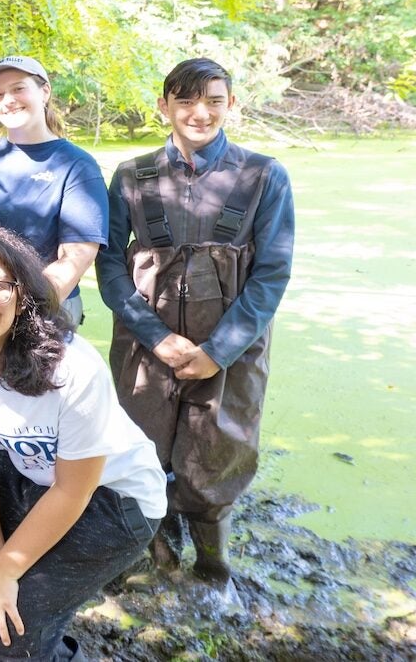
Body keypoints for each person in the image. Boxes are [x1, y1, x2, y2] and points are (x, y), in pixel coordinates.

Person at [0, 219, 165, 661]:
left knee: (8, 625)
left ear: (22, 292)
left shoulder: (72, 371)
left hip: (115, 499)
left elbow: (72, 489)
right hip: (31, 473)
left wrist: (6, 567)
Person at [95, 58, 294, 595]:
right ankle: (155, 547)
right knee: (142, 445)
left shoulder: (263, 176)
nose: (199, 112)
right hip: (144, 346)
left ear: (232, 105)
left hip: (232, 348)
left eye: (212, 99)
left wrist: (218, 350)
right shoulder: (131, 176)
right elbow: (109, 265)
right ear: (164, 107)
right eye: (184, 100)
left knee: (218, 448)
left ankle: (213, 558)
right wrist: (156, 336)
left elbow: (273, 273)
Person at [0, 55, 107, 328]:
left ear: (45, 91)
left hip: (45, 308)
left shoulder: (76, 165)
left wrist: (22, 307)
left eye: (18, 89)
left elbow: (78, 254)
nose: (8, 100)